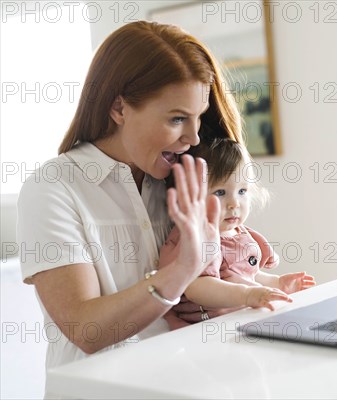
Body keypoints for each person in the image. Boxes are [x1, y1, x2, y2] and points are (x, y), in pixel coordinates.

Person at [16, 21, 241, 378]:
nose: (194, 136)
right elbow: (85, 330)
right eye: (177, 118)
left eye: (198, 118)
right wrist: (181, 269)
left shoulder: (181, 179)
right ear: (119, 108)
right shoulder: (53, 187)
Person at [159, 138, 316, 329]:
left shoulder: (238, 233)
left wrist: (277, 283)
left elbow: (246, 275)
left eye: (242, 190)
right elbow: (197, 288)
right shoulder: (195, 238)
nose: (234, 203)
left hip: (241, 320)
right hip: (206, 330)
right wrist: (247, 295)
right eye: (220, 192)